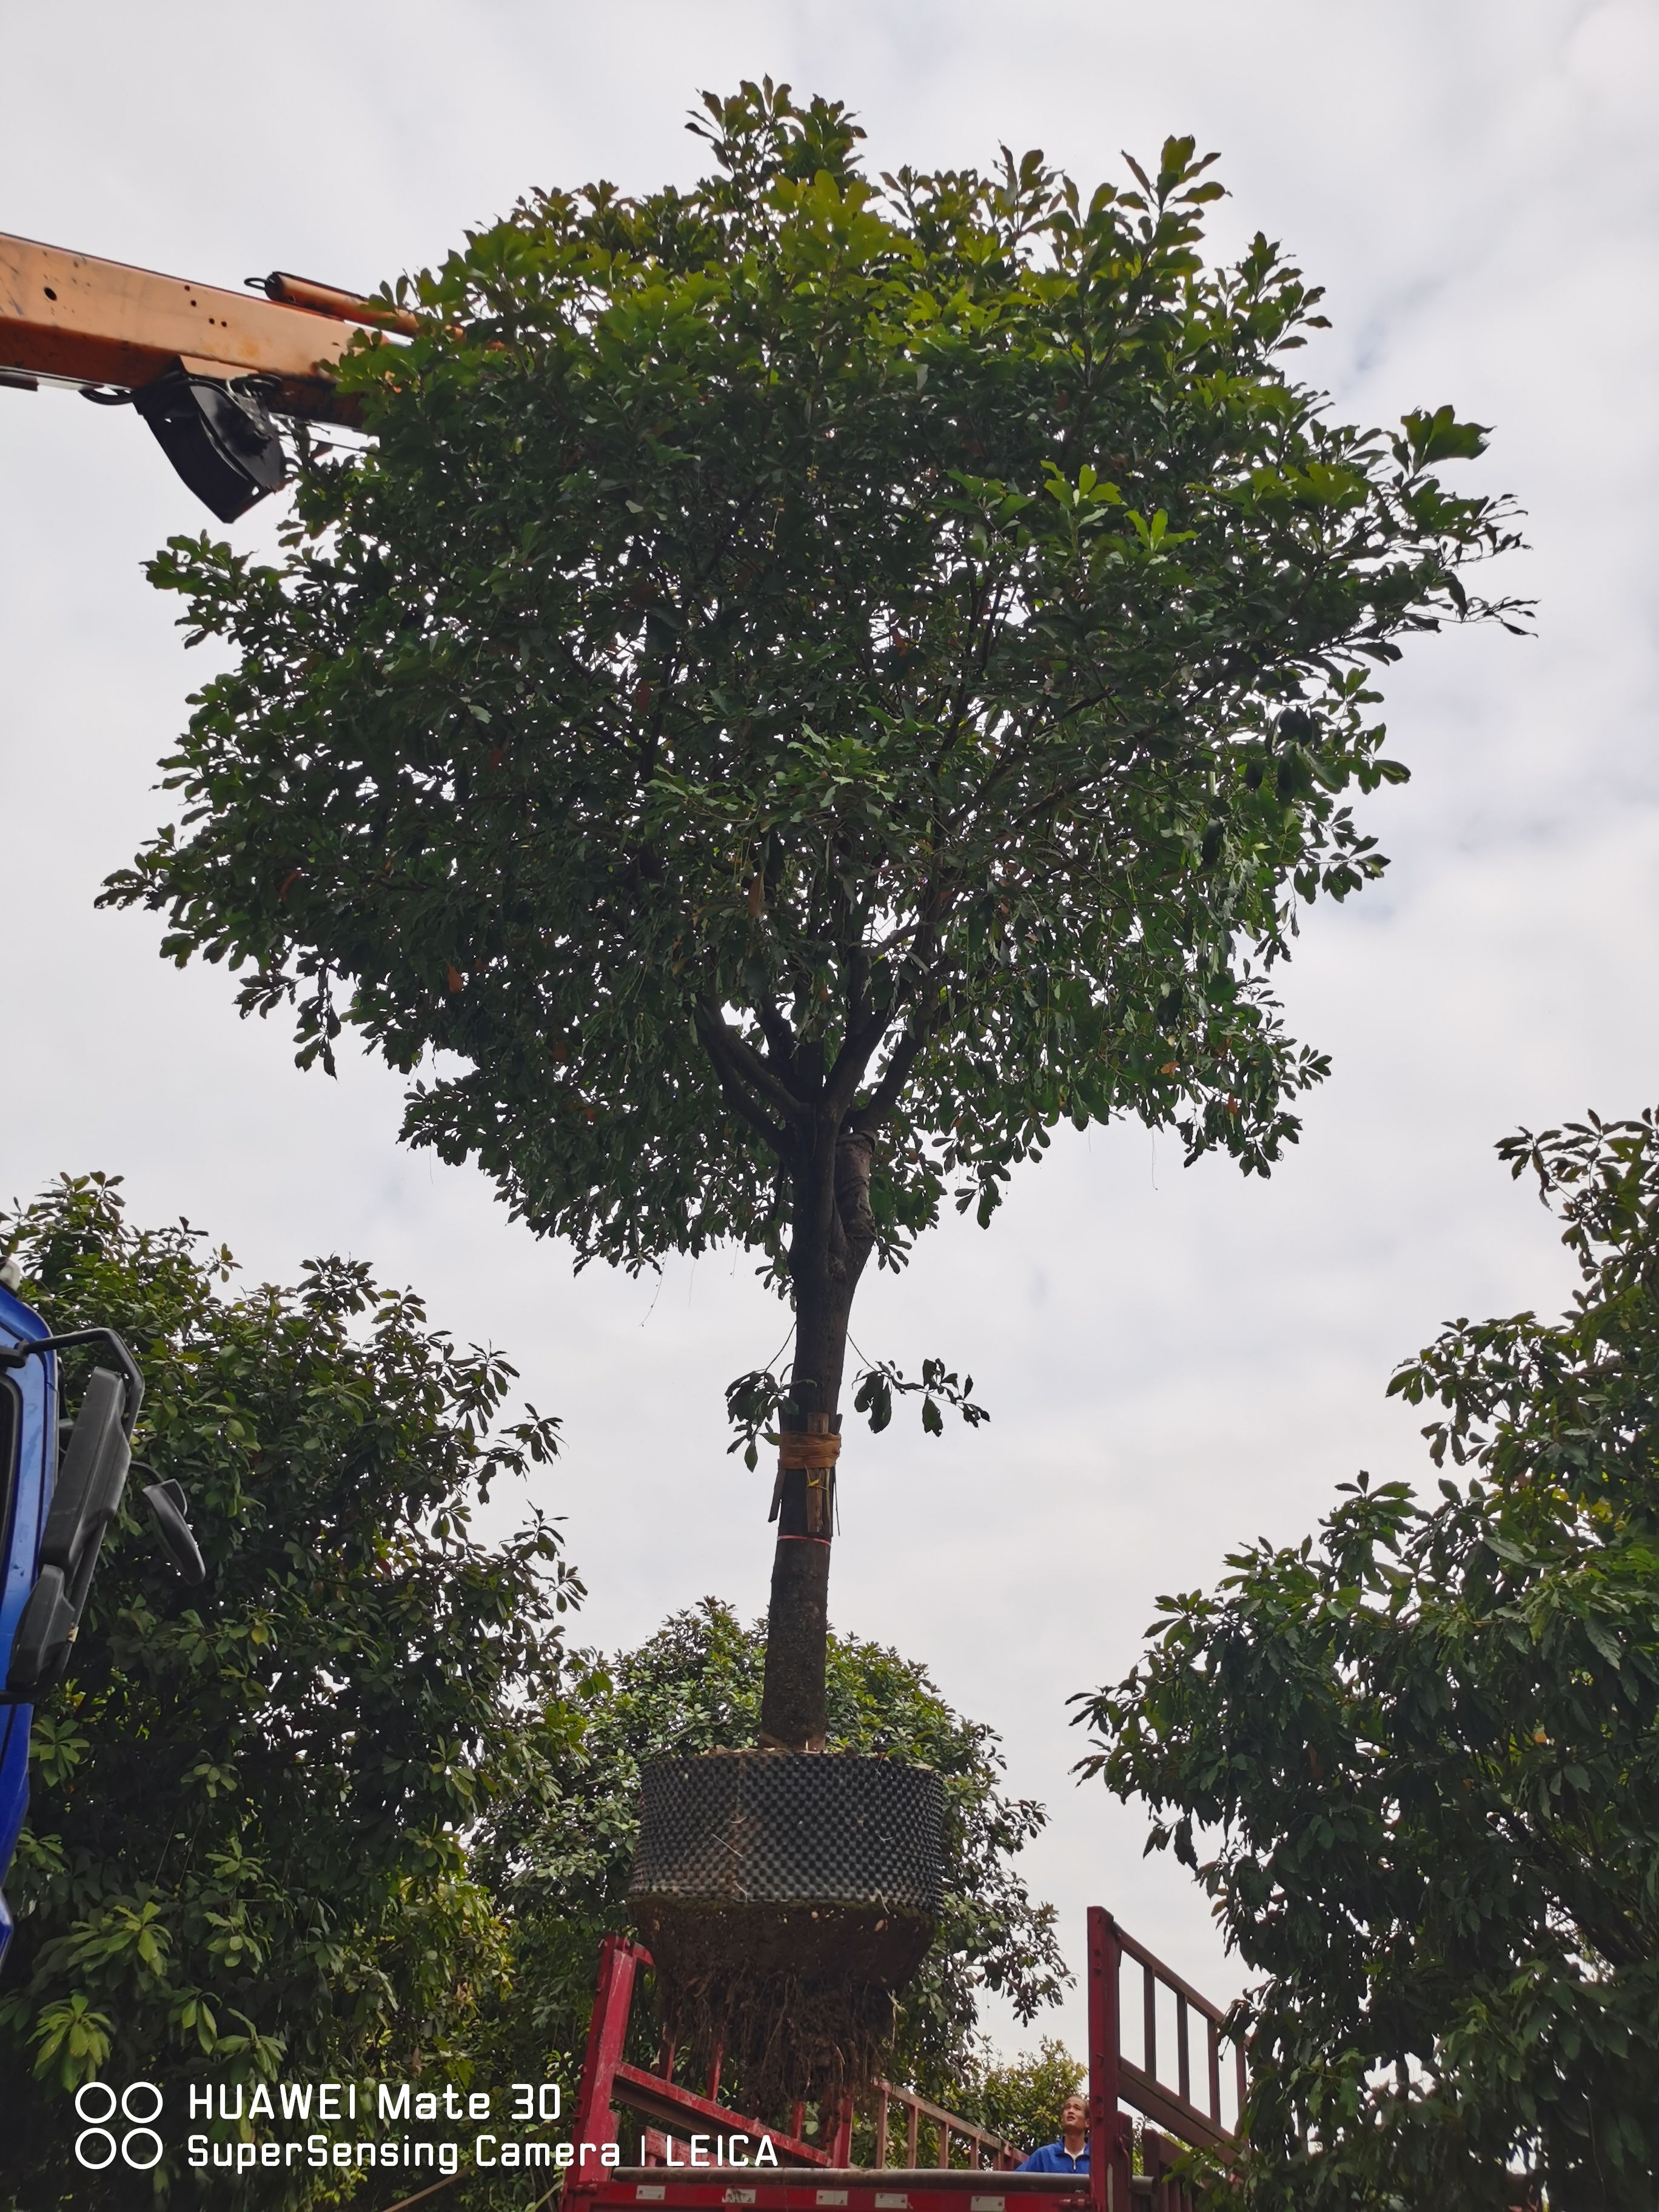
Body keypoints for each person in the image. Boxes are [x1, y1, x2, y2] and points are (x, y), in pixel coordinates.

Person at [1016, 2093, 1090, 2173]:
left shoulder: (1098, 2160)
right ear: (1062, 2119)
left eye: (1077, 2108)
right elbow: (1014, 2182)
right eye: (1067, 2108)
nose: (1071, 2111)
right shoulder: (1044, 2156)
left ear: (1088, 2123)